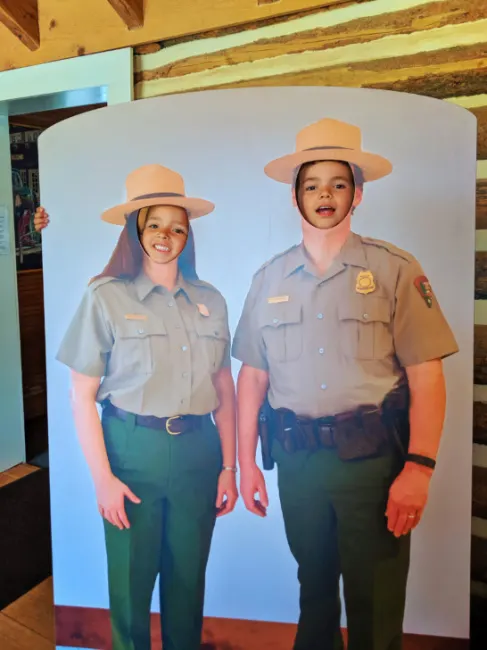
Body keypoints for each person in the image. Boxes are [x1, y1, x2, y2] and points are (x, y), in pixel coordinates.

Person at [231, 118, 458, 650]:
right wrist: (245, 465)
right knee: (313, 593)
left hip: (372, 464)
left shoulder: (394, 270)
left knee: (374, 602)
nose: (324, 195)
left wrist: (419, 469)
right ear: (295, 198)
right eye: (311, 185)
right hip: (297, 463)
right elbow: (253, 377)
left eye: (337, 183)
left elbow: (427, 376)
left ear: (358, 192)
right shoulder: (268, 279)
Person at [43, 164, 238, 650]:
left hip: (199, 453)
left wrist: (230, 466)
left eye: (177, 226)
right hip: (131, 453)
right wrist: (103, 479)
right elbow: (80, 396)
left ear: (188, 234)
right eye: (154, 225)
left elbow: (225, 388)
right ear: (135, 231)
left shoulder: (211, 300)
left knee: (187, 585)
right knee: (130, 589)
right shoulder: (105, 297)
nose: (165, 236)